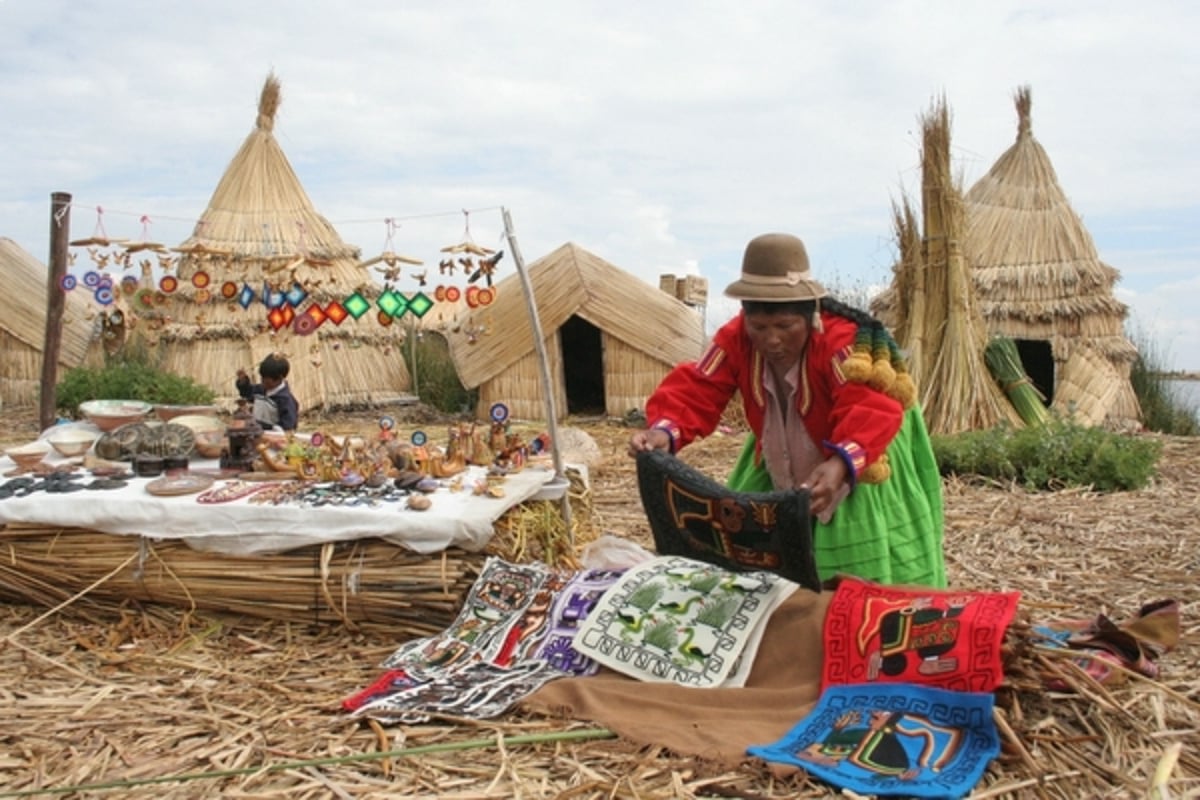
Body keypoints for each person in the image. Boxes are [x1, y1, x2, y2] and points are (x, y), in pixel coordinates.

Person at [629, 232, 945, 587]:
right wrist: (664, 430)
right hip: (780, 443)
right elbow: (699, 386)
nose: (772, 339)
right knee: (752, 553)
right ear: (744, 317)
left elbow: (870, 405)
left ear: (809, 316)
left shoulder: (844, 343)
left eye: (785, 326)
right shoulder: (736, 338)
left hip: (862, 445)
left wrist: (841, 464)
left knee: (851, 572)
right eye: (759, 327)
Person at [236, 352, 300, 432]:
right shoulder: (261, 390)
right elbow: (247, 393)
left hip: (275, 439)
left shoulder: (286, 401)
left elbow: (287, 427)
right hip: (256, 435)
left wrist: (264, 427)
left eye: (266, 380)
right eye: (262, 378)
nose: (262, 382)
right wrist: (243, 381)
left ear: (279, 378)